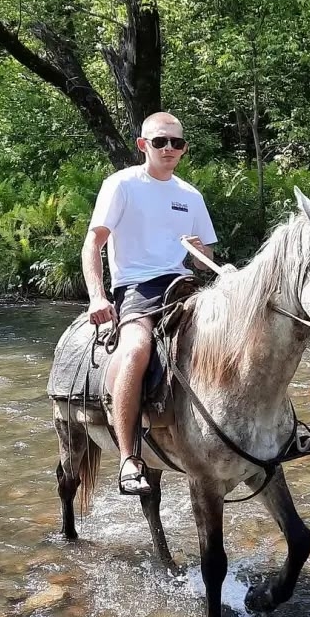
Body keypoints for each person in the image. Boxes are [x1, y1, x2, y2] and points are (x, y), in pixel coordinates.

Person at [82, 112, 218, 495]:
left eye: (177, 143)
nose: (170, 149)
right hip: (137, 288)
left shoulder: (190, 195)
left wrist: (199, 251)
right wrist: (97, 295)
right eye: (161, 142)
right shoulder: (122, 185)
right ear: (144, 145)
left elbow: (203, 253)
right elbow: (94, 243)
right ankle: (129, 458)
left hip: (184, 284)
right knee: (137, 349)